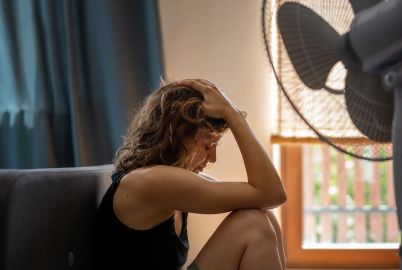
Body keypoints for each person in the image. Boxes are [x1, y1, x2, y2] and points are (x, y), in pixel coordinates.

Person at [93, 79, 287, 270]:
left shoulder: (170, 180)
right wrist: (233, 114)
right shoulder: (150, 181)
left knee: (263, 216)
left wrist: (232, 113)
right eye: (207, 145)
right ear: (176, 136)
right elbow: (271, 193)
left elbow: (264, 197)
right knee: (253, 224)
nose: (213, 158)